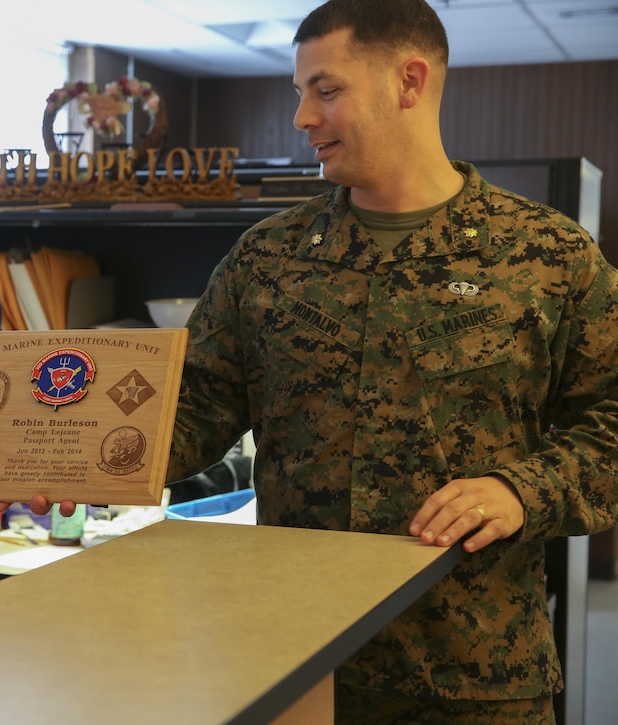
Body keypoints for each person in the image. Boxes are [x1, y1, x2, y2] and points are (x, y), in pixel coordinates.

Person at [161, 0, 618, 722]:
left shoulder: (549, 257)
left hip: (473, 673)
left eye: (327, 89)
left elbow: (610, 426)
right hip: (295, 661)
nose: (302, 117)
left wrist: (521, 489)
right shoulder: (267, 258)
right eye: (299, 92)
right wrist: (80, 455)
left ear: (409, 82)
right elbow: (192, 411)